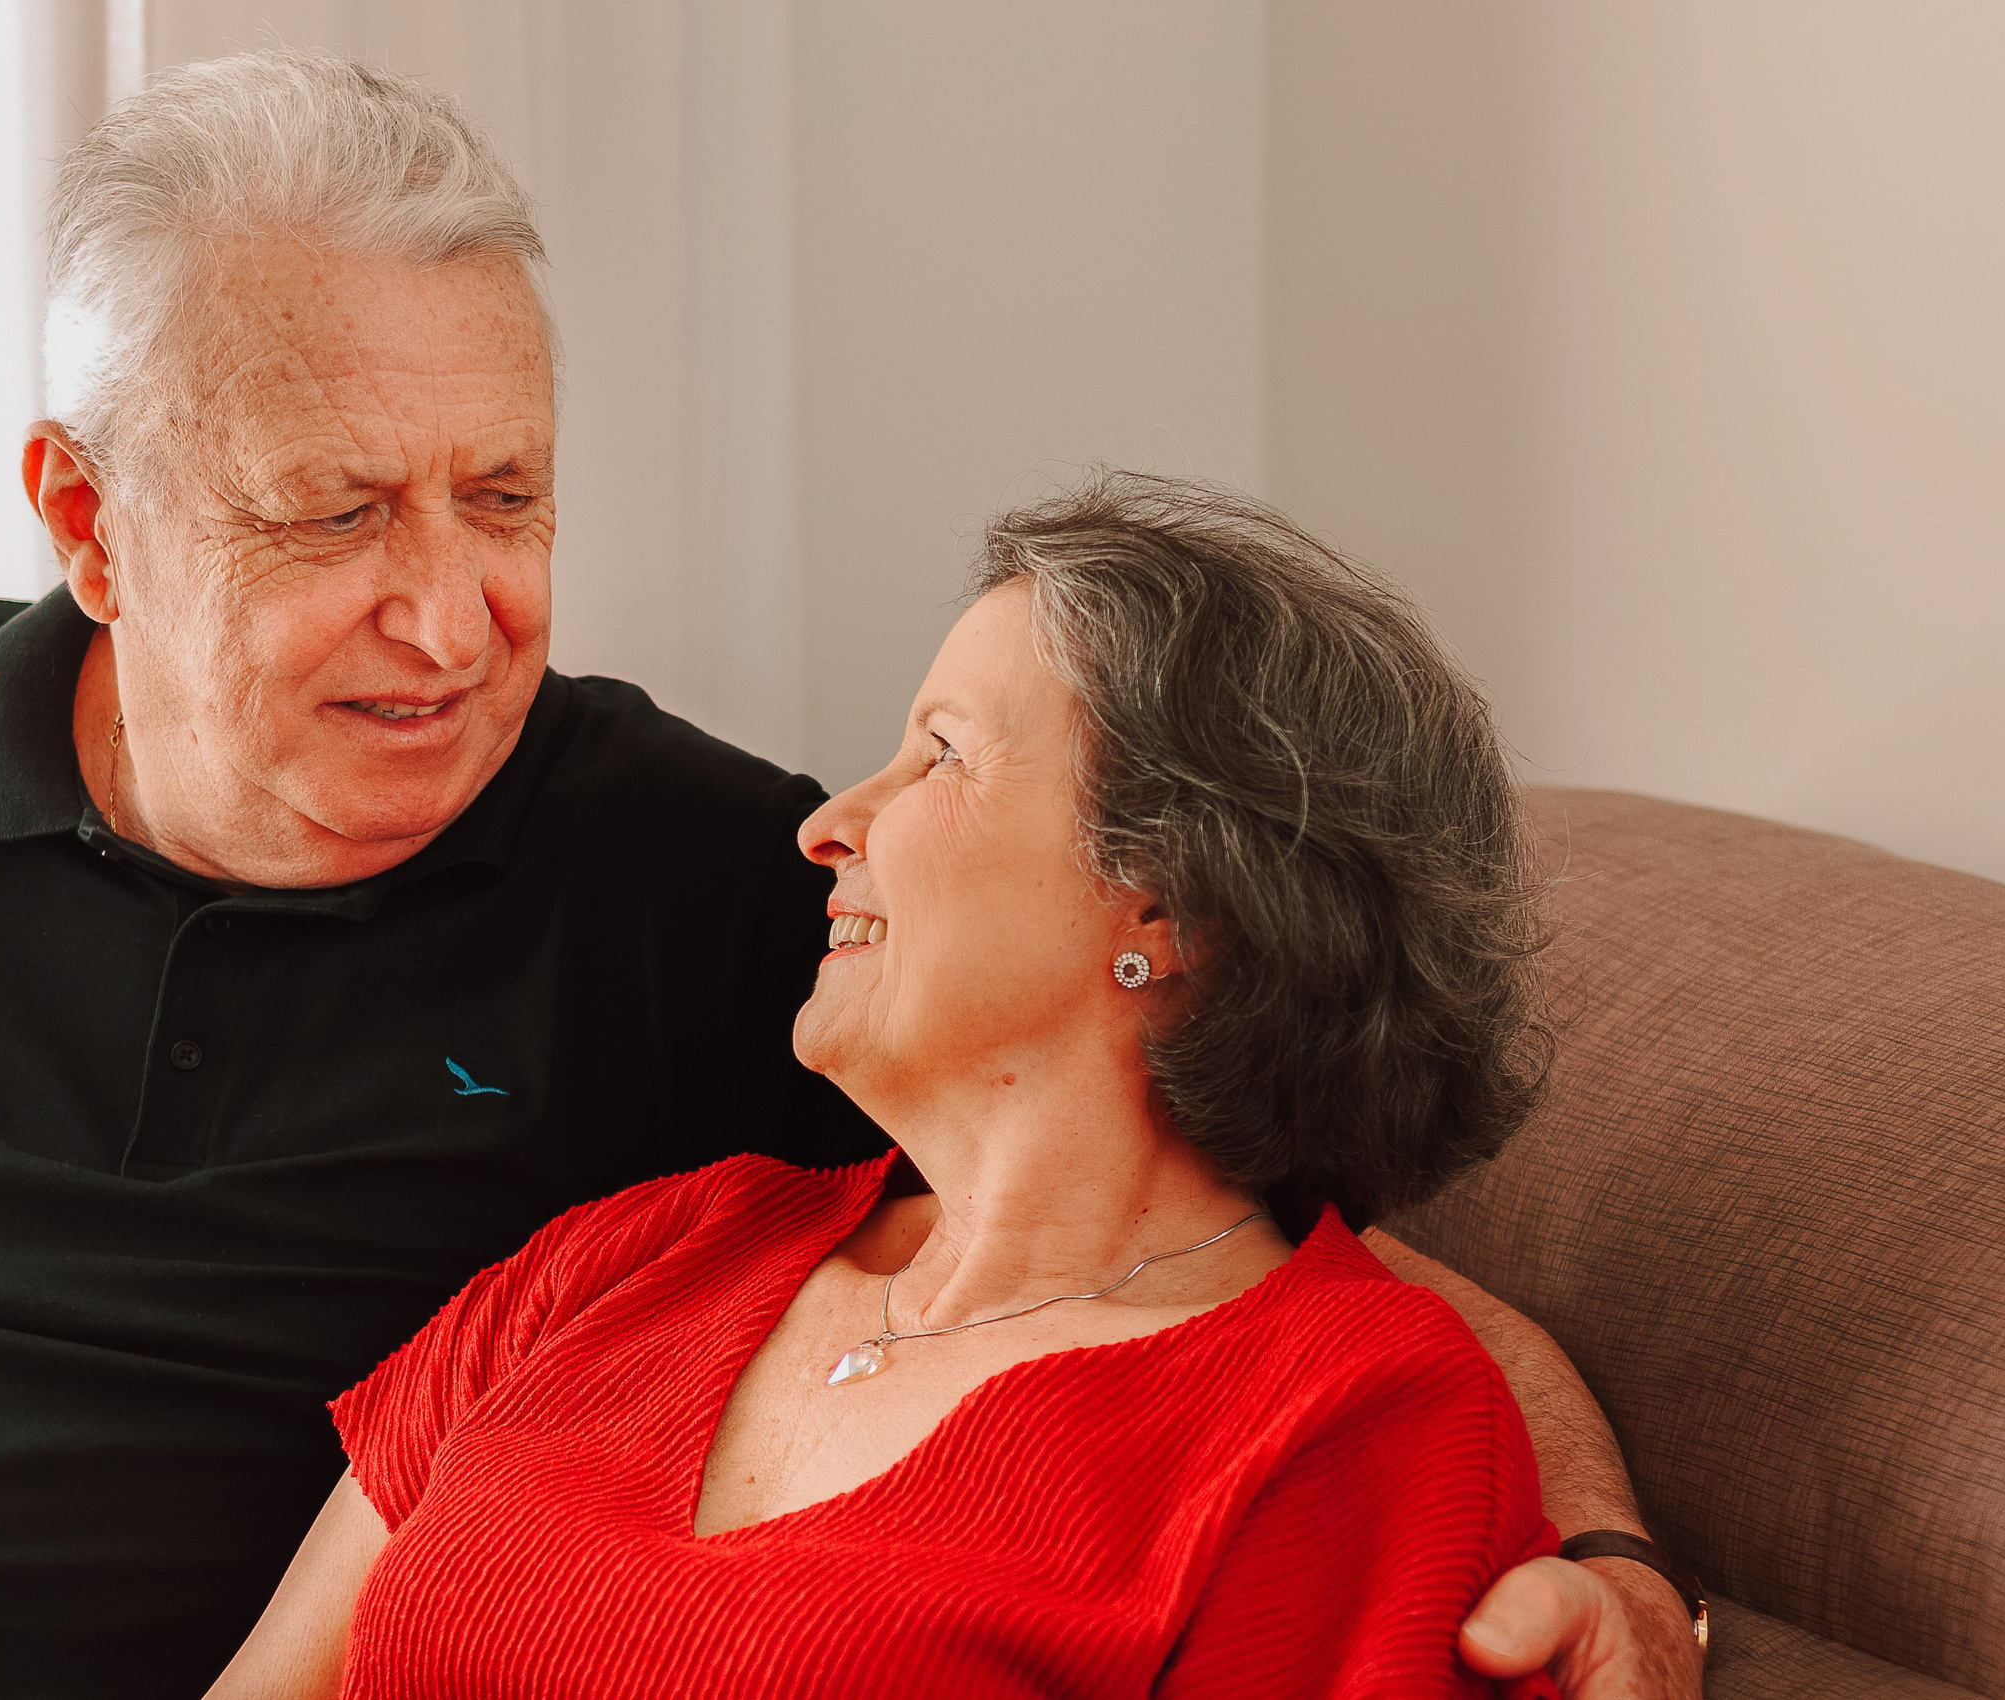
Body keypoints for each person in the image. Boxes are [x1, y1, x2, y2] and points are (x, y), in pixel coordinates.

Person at [0, 51, 1693, 1700]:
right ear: (90, 524)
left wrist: (1601, 1567)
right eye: (332, 516)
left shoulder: (689, 883)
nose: (451, 613)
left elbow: (1221, 1235)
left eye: (504, 494)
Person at [205, 473, 1569, 1698]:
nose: (828, 823)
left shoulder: (1350, 1428)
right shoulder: (645, 1255)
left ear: (1171, 909)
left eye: (942, 755)